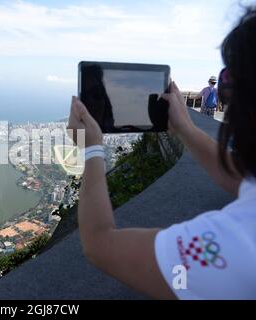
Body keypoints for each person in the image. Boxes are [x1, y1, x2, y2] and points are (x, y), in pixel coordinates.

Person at [67, 7, 256, 299]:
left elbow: (99, 245)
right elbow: (243, 180)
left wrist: (91, 149)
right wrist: (186, 130)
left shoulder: (234, 247)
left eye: (230, 84)